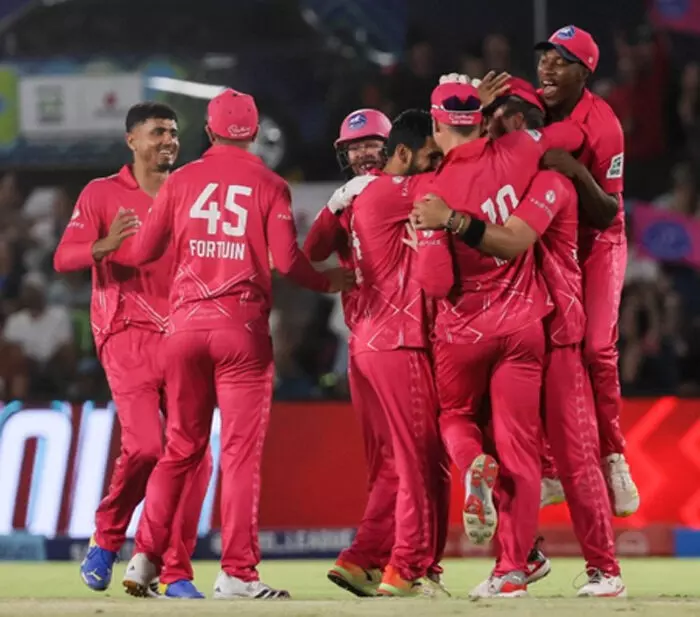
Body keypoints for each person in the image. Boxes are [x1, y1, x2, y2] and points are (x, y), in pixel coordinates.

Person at [121, 88, 353, 600]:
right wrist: (329, 281)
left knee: (180, 449)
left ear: (209, 131)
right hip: (241, 332)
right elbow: (288, 262)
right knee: (239, 454)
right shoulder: (270, 184)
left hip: (184, 330)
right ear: (254, 132)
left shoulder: (180, 181)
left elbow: (143, 251)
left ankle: (143, 557)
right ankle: (238, 574)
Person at [413, 78, 626, 598]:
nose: (501, 126)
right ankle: (519, 561)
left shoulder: (547, 180)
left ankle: (603, 569)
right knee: (514, 456)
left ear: (522, 124)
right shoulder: (524, 162)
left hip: (554, 335)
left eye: (511, 117)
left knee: (570, 459)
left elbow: (506, 242)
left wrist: (447, 215)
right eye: (494, 117)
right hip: (528, 328)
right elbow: (561, 139)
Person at [54, 102, 211, 599]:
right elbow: (63, 258)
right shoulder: (102, 193)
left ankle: (170, 569)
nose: (169, 140)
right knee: (145, 447)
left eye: (174, 132)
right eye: (158, 132)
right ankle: (106, 537)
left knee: (196, 458)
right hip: (126, 334)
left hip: (183, 334)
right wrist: (101, 247)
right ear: (132, 141)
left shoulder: (190, 192)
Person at [331, 109, 447, 598]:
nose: (361, 153)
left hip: (365, 344)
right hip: (399, 340)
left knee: (391, 466)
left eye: (369, 144)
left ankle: (361, 559)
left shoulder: (356, 198)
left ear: (391, 146)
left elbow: (310, 250)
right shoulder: (402, 191)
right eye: (353, 147)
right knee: (420, 460)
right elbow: (455, 184)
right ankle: (410, 566)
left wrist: (335, 206)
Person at [535, 25, 639, 516]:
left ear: (585, 72)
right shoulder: (531, 110)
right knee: (535, 349)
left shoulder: (604, 125)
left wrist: (576, 171)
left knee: (597, 347)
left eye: (561, 61)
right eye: (545, 58)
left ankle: (613, 457)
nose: (547, 67)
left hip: (597, 243)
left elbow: (607, 212)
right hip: (550, 242)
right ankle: (549, 470)